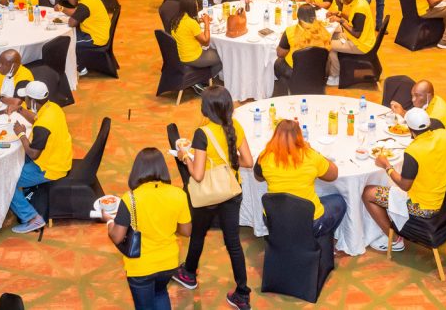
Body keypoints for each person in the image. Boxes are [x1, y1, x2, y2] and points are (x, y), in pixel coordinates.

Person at [170, 87, 252, 308]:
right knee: (233, 243)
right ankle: (242, 293)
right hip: (231, 190)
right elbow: (248, 161)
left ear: (206, 109)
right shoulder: (235, 126)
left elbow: (197, 175)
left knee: (198, 233)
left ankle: (189, 273)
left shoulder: (202, 134)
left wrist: (184, 156)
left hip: (208, 194)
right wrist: (228, 162)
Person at [362, 107, 446, 252]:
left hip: (424, 208)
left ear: (410, 129)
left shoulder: (413, 150)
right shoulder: (444, 135)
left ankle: (395, 240)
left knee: (367, 193)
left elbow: (404, 185)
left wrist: (387, 166)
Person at [103, 148, 191, 309]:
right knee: (160, 293)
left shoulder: (130, 198)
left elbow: (117, 236)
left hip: (140, 267)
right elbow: (186, 231)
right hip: (168, 263)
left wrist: (109, 221)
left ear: (137, 170)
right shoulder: (179, 194)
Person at [255, 119, 345, 236]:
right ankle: (319, 238)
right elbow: (333, 175)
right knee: (339, 201)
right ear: (299, 137)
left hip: (274, 219)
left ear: (276, 136)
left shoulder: (265, 156)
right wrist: (314, 151)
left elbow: (258, 177)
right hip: (310, 221)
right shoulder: (310, 156)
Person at [6, 80, 73, 234]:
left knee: (7, 180)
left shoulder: (43, 125)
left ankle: (32, 218)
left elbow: (33, 154)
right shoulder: (52, 107)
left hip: (50, 168)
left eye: (26, 98)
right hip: (59, 157)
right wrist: (20, 109)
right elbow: (36, 119)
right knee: (17, 161)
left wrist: (21, 134)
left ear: (33, 101)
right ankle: (24, 194)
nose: (24, 100)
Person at [326, 0, 378, 83]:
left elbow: (356, 33)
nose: (341, 0)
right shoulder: (359, 1)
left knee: (329, 46)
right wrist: (339, 13)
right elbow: (353, 18)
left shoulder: (360, 8)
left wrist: (341, 21)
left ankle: (335, 77)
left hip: (361, 44)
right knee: (332, 36)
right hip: (360, 39)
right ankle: (333, 69)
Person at [170, 0, 222, 82]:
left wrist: (201, 20)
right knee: (222, 56)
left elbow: (188, 28)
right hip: (192, 57)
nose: (198, 8)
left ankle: (203, 76)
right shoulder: (191, 23)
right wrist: (206, 23)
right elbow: (206, 41)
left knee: (214, 52)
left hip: (180, 55)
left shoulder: (176, 19)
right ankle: (205, 79)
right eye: (196, 6)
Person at [274, 3, 332, 80]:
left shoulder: (290, 31)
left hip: (294, 72)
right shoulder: (324, 32)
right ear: (314, 16)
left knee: (278, 62)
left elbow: (280, 54)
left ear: (298, 16)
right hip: (319, 71)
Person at [57, 0, 110, 65]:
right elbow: (76, 12)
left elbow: (71, 23)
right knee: (66, 37)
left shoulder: (84, 6)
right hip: (96, 31)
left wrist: (66, 17)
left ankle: (80, 68)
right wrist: (61, 8)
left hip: (95, 37)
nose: (68, 1)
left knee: (66, 43)